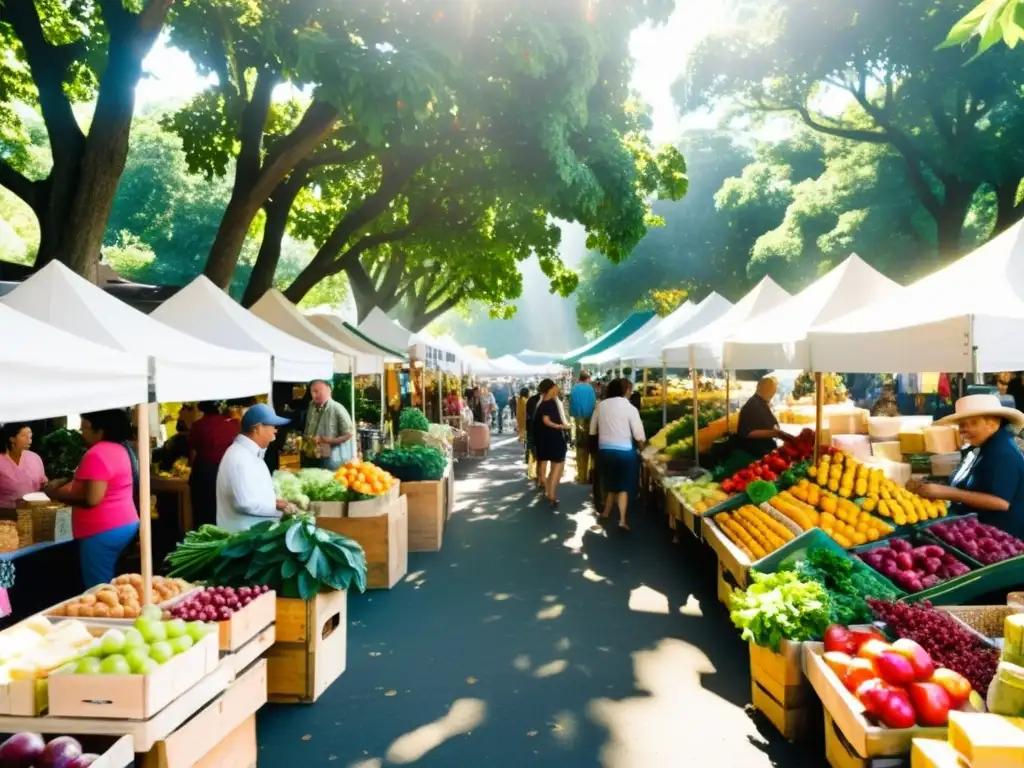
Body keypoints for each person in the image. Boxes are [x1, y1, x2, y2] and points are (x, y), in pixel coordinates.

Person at [908, 395, 1024, 538]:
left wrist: (947, 492)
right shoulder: (980, 446)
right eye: (962, 425)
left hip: (1000, 537)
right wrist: (929, 481)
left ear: (994, 423)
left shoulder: (1003, 453)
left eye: (973, 423)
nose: (964, 430)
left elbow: (1000, 502)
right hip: (975, 528)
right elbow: (961, 474)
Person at [47, 410, 140, 589]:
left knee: (98, 588)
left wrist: (55, 494)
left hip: (102, 530)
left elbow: (92, 498)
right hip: (124, 522)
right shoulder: (120, 449)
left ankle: (104, 616)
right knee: (112, 581)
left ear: (100, 430)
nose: (82, 433)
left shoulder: (97, 454)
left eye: (85, 428)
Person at [216, 404, 292, 534]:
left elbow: (252, 494)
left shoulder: (250, 453)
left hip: (254, 537)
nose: (275, 430)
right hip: (243, 540)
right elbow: (245, 503)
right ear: (257, 428)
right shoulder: (239, 457)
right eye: (272, 425)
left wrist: (275, 502)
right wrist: (279, 510)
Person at [589, 378, 645, 530]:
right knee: (623, 486)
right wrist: (643, 448)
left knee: (610, 482)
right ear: (625, 390)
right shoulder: (630, 408)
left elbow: (592, 430)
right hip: (625, 452)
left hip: (605, 451)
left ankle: (606, 512)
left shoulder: (600, 406)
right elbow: (639, 434)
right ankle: (621, 520)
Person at [187, 401, 240, 528]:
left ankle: (203, 534)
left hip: (203, 471)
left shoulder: (198, 426)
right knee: (224, 506)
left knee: (203, 509)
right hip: (225, 469)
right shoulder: (232, 425)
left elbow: (192, 449)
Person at [301, 380, 355, 471]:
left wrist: (330, 441)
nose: (314, 395)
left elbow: (349, 434)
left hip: (329, 456)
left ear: (328, 390)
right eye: (312, 392)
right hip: (310, 454)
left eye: (317, 391)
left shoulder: (338, 408)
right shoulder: (311, 406)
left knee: (325, 479)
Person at [736, 376, 795, 458]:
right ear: (763, 388)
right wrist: (778, 434)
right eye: (771, 390)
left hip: (764, 446)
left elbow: (773, 424)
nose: (773, 393)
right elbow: (746, 433)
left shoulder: (760, 401)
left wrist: (780, 434)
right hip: (753, 450)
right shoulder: (754, 404)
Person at [534, 378, 571, 508]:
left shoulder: (545, 402)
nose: (558, 388)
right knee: (557, 466)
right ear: (550, 388)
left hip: (545, 439)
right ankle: (552, 494)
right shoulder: (548, 403)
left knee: (555, 467)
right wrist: (562, 427)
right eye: (556, 386)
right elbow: (547, 421)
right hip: (553, 439)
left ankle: (549, 491)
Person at [0, 423, 47, 508]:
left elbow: (42, 485)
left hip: (33, 511)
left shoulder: (35, 458)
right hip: (5, 514)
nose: (29, 440)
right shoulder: (1, 460)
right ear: (12, 438)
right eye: (24, 436)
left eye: (30, 436)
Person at [569, 371, 597, 484]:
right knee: (591, 448)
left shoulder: (574, 389)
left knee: (580, 448)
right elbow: (594, 404)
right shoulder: (590, 389)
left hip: (578, 420)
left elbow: (571, 407)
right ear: (588, 378)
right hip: (590, 421)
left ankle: (581, 475)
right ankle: (591, 474)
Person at [525, 386, 543, 485]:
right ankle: (539, 476)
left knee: (535, 452)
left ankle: (537, 475)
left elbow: (528, 415)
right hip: (538, 430)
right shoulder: (539, 401)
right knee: (538, 453)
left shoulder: (531, 400)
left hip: (533, 429)